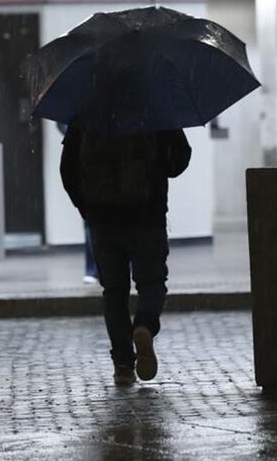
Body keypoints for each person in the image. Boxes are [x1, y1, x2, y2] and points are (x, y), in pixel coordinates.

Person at [60, 125, 191, 386]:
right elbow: (179, 160)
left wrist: (87, 208)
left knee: (114, 291)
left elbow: (68, 170)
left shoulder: (87, 109)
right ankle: (143, 325)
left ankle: (122, 364)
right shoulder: (153, 106)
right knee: (152, 283)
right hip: (147, 216)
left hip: (103, 219)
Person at [56, 122, 99, 284]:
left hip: (95, 189)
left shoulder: (83, 110)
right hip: (135, 194)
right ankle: (94, 269)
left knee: (94, 227)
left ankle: (94, 269)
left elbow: (67, 171)